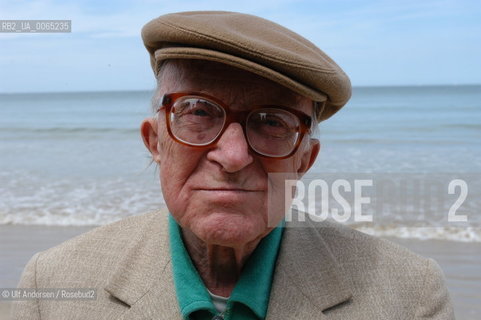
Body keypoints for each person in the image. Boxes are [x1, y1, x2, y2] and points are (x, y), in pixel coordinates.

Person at [12, 11, 454, 319]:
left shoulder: (408, 294)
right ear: (155, 142)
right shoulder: (51, 286)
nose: (235, 156)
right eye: (199, 112)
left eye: (271, 122)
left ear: (304, 160)